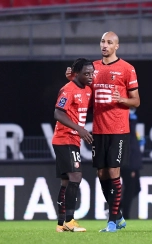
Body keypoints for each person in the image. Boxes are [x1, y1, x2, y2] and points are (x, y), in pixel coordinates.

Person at [66, 31, 140, 232]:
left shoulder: (127, 69)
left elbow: (136, 101)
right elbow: (83, 94)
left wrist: (121, 100)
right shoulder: (93, 69)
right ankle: (119, 216)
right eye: (102, 41)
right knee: (102, 173)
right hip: (98, 129)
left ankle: (112, 221)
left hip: (119, 129)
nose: (104, 45)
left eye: (109, 42)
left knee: (114, 172)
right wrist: (73, 79)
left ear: (117, 46)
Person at [53, 58, 94, 232]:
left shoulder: (87, 89)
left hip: (72, 140)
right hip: (65, 139)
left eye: (92, 73)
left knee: (65, 182)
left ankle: (61, 224)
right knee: (76, 177)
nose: (90, 76)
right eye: (86, 74)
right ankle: (70, 221)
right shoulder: (68, 90)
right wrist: (80, 130)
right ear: (77, 74)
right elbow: (57, 113)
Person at [120, 108, 144, 219]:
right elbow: (130, 148)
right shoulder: (127, 129)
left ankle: (117, 207)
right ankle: (125, 215)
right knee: (130, 189)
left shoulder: (132, 130)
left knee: (136, 188)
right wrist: (132, 167)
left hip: (131, 163)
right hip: (129, 164)